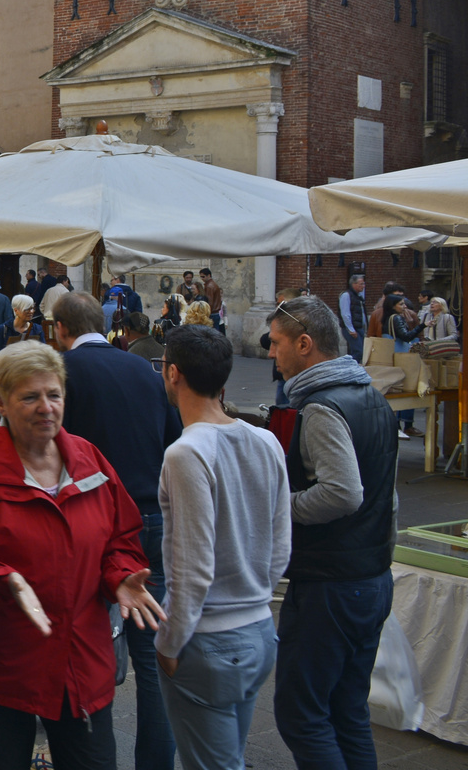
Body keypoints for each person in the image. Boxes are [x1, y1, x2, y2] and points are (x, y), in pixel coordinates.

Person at [0, 341, 163, 770]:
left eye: (54, 395)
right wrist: (1, 582)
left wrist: (120, 574)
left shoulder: (90, 461)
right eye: (30, 397)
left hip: (79, 664)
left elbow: (121, 538)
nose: (46, 407)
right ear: (0, 402)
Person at [51, 292, 182, 770]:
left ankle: (84, 748)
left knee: (80, 636)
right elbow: (173, 441)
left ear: (61, 328)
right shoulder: (144, 370)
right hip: (150, 516)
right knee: (153, 655)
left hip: (95, 521)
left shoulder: (62, 372)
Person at [267, 295, 399, 770]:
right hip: (369, 577)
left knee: (302, 716)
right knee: (347, 713)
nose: (270, 353)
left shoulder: (322, 408)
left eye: (276, 343)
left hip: (332, 585)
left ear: (304, 344)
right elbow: (389, 496)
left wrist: (283, 506)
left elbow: (344, 493)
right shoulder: (371, 398)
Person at [155, 325, 291, 770]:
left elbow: (192, 566)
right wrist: (254, 597)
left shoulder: (187, 453)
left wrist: (170, 641)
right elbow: (279, 544)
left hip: (209, 639)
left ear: (172, 373)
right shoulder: (266, 440)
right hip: (257, 630)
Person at [338, 274, 368, 365]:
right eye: (361, 284)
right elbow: (345, 313)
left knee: (360, 350)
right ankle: (349, 368)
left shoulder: (358, 297)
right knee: (358, 351)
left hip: (359, 327)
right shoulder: (346, 295)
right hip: (352, 328)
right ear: (354, 284)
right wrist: (350, 329)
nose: (363, 286)